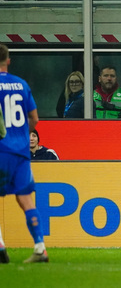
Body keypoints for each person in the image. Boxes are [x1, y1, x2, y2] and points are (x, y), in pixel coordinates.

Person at [0, 43, 49, 263]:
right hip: (20, 151)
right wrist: (20, 136)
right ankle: (40, 248)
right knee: (26, 199)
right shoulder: (21, 84)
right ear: (8, 61)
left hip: (0, 148)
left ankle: (0, 247)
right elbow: (35, 119)